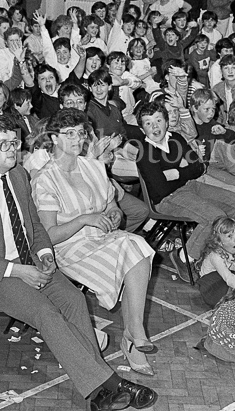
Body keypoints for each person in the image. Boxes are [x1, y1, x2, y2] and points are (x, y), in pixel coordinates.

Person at [0, 115, 157, 410]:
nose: (12, 149)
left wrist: (45, 255)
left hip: (27, 260)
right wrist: (19, 270)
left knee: (73, 299)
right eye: (3, 144)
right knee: (46, 313)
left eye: (15, 142)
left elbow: (34, 226)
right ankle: (108, 385)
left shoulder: (18, 175)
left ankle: (98, 392)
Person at [32, 110, 156, 374]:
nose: (77, 139)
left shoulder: (94, 166)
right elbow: (48, 235)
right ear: (54, 138)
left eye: (80, 133)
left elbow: (113, 208)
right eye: (69, 134)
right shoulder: (45, 179)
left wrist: (114, 214)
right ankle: (133, 335)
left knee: (138, 248)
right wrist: (84, 220)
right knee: (133, 249)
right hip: (68, 247)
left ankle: (134, 332)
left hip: (102, 238)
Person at [135, 100, 235, 258]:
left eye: (158, 120)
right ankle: (185, 258)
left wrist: (176, 174)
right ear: (142, 129)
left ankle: (230, 250)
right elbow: (162, 189)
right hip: (167, 199)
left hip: (190, 186)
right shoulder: (145, 153)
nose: (155, 127)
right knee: (216, 217)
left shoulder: (176, 138)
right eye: (148, 123)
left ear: (166, 121)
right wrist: (186, 170)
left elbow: (198, 168)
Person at [196, 218, 235, 308]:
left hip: (225, 280)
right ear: (219, 241)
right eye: (229, 236)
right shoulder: (216, 257)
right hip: (211, 286)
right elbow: (228, 277)